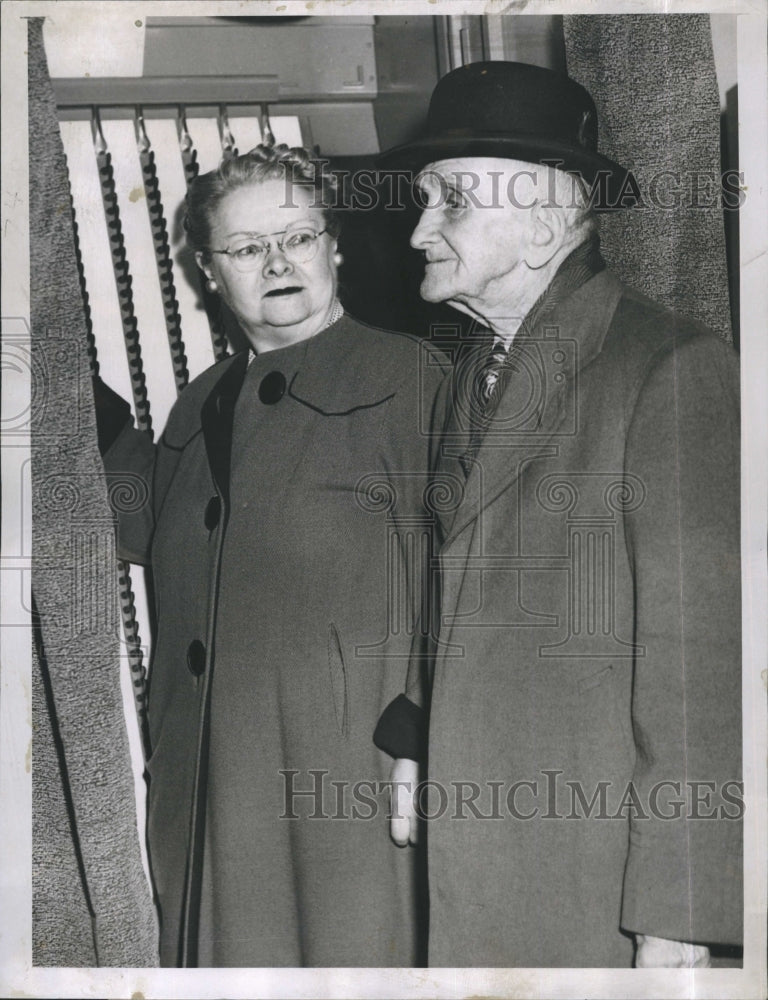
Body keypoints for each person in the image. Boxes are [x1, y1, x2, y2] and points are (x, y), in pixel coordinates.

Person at [374, 62, 742, 968]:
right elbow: (462, 582)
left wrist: (680, 912)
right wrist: (418, 733)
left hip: (593, 878)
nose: (418, 229)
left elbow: (702, 676)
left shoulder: (671, 369)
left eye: (449, 202)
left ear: (540, 227)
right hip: (483, 847)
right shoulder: (472, 371)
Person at [96, 143, 447, 967]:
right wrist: (85, 407)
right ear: (210, 274)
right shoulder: (204, 400)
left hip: (349, 786)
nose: (278, 263)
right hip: (216, 791)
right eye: (248, 248)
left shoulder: (413, 379)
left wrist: (426, 734)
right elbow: (162, 528)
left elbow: (472, 575)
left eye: (296, 237)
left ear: (334, 247)